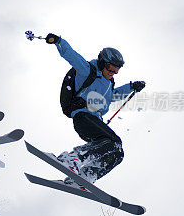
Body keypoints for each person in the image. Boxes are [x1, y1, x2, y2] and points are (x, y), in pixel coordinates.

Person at [45, 33, 145, 184]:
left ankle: (87, 175)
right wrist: (59, 41)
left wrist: (132, 87)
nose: (113, 72)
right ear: (102, 62)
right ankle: (71, 158)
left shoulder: (108, 85)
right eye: (111, 67)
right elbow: (72, 55)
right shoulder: (87, 70)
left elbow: (114, 96)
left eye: (117, 70)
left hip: (95, 120)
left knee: (118, 152)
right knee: (114, 141)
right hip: (83, 117)